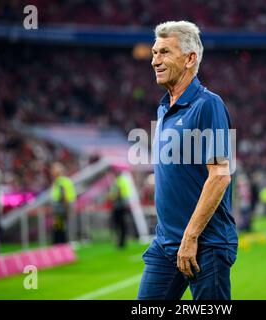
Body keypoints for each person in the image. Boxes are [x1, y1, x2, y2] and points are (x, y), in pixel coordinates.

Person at [137, 21, 238, 300]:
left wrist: (191, 237)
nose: (155, 60)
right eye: (154, 53)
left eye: (165, 52)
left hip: (205, 243)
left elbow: (220, 175)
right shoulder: (163, 108)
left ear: (190, 58)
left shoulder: (208, 105)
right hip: (166, 244)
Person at [49, 162, 76, 244]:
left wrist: (67, 208)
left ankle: (60, 245)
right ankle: (62, 244)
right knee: (60, 227)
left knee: (59, 228)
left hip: (61, 209)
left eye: (53, 170)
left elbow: (64, 196)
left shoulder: (60, 181)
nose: (51, 172)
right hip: (62, 208)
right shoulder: (64, 181)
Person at [108, 168, 132, 249]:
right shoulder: (123, 180)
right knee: (122, 224)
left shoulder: (118, 181)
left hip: (119, 205)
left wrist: (112, 197)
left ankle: (120, 241)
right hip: (122, 205)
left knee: (118, 224)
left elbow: (118, 192)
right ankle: (122, 241)